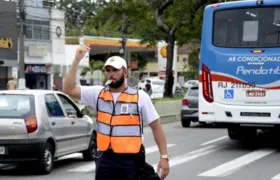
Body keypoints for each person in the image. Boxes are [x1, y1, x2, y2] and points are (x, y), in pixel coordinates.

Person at [63, 45, 170, 180]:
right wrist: (76, 60)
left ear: (125, 73)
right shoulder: (98, 94)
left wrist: (164, 157)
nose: (111, 73)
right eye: (108, 70)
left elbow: (156, 127)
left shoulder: (140, 97)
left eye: (115, 70)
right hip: (105, 160)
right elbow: (68, 88)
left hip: (130, 161)